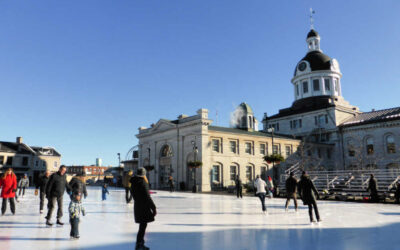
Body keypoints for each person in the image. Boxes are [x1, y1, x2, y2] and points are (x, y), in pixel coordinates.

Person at [130, 168, 157, 250]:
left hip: (138, 206)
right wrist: (153, 207)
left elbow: (133, 194)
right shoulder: (142, 182)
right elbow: (147, 196)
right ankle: (139, 244)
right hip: (144, 207)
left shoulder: (133, 182)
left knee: (142, 226)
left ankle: (140, 243)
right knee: (143, 226)